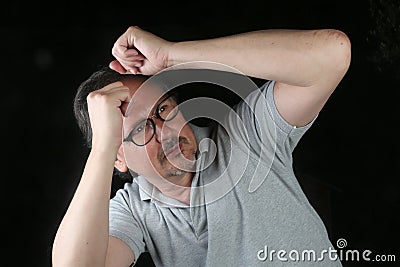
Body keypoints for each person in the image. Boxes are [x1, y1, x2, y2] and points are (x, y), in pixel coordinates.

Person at [52, 26, 351, 266]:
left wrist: (170, 57)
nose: (165, 132)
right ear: (119, 159)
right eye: (142, 128)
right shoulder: (133, 211)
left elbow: (333, 53)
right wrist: (103, 147)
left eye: (164, 109)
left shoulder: (246, 134)